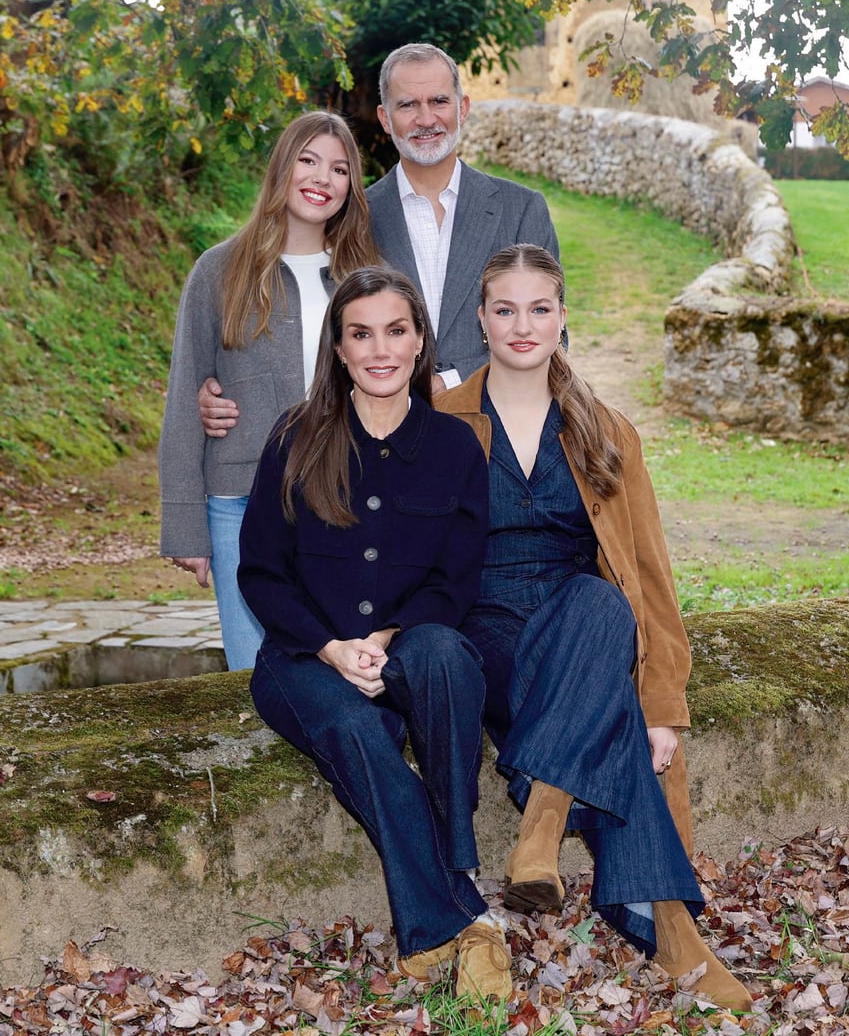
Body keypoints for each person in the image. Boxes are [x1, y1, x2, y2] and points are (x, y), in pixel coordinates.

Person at [436, 244, 754, 1011]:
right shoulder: (442, 423)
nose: (523, 325)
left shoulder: (604, 429)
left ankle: (543, 826)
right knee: (606, 703)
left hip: (583, 626)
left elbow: (649, 576)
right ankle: (672, 930)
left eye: (539, 308)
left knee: (603, 606)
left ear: (562, 318)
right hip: (487, 633)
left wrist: (663, 705)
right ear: (481, 320)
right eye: (505, 309)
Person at [237, 266, 512, 1001]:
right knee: (356, 730)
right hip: (303, 656)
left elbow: (456, 581)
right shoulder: (295, 438)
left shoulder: (456, 447)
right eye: (361, 334)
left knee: (446, 654)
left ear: (420, 341)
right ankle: (458, 914)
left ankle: (453, 862)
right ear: (338, 347)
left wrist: (387, 637)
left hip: (406, 647)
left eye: (396, 331)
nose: (380, 349)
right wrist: (331, 648)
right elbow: (261, 574)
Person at [196, 41, 560, 437]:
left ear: (463, 108)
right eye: (407, 105)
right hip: (379, 443)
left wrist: (451, 381)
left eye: (439, 101)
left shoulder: (521, 210)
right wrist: (228, 383)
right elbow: (307, 314)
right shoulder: (351, 218)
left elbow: (555, 337)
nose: (426, 118)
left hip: (500, 433)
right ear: (385, 118)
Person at [158, 111, 380, 669]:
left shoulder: (367, 277)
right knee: (254, 672)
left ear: (351, 186)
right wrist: (185, 527)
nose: (322, 178)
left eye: (339, 169)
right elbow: (185, 399)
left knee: (340, 671)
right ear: (282, 167)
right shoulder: (218, 271)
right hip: (240, 503)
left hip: (346, 498)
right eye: (308, 160)